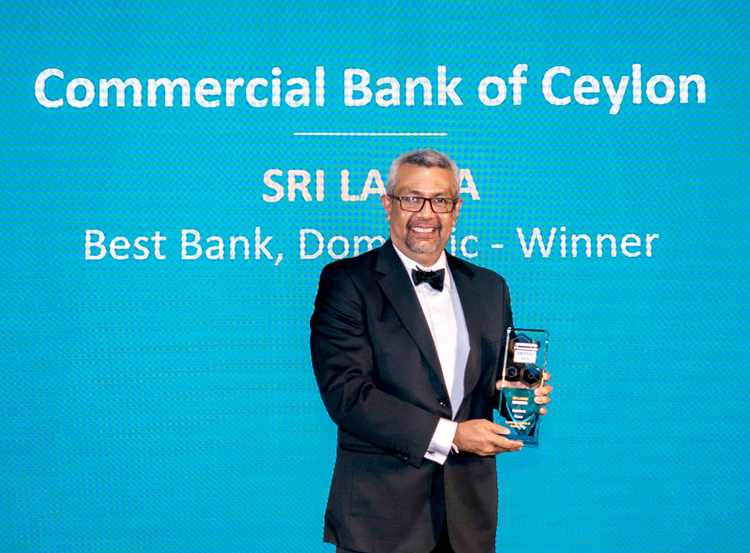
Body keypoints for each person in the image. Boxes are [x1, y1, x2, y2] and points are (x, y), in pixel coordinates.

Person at [310, 149, 552, 553]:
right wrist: (454, 436)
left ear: (456, 210)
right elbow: (347, 395)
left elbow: (488, 388)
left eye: (440, 200)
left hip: (467, 521)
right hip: (380, 522)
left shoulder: (489, 288)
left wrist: (520, 393)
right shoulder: (347, 282)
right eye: (412, 198)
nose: (426, 214)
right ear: (388, 204)